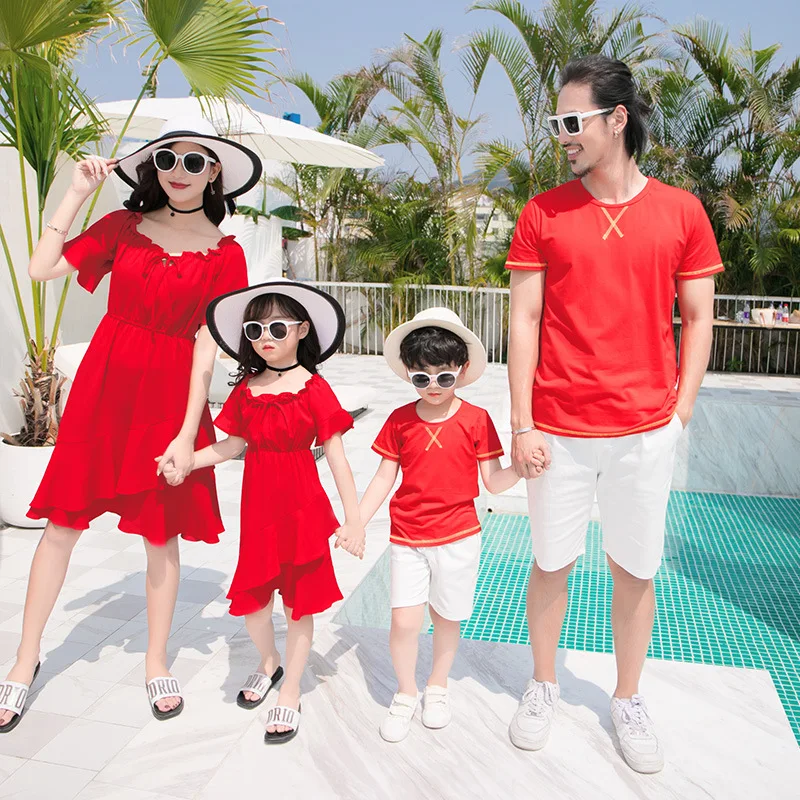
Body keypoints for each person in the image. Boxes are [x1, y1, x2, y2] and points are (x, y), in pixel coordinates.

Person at [0, 117, 262, 731]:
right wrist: (75, 194)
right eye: (168, 160)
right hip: (106, 388)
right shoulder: (124, 226)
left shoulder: (227, 254)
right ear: (154, 167)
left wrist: (184, 431)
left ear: (215, 173)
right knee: (63, 522)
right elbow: (42, 268)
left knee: (159, 533)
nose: (179, 173)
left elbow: (208, 347)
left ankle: (155, 659)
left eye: (194, 163)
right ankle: (23, 660)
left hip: (172, 398)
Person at [505, 55, 722, 773]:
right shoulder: (543, 212)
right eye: (555, 123)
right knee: (549, 564)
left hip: (643, 433)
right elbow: (525, 322)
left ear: (617, 119)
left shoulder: (682, 212)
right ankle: (543, 685)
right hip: (559, 432)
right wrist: (522, 423)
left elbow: (698, 318)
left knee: (634, 570)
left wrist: (680, 412)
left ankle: (626, 698)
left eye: (572, 122)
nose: (561, 136)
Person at [163, 280, 364, 744]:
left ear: (301, 330)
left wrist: (354, 520)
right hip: (259, 512)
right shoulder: (248, 389)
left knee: (298, 604)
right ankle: (269, 661)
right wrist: (187, 461)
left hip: (303, 509)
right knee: (253, 605)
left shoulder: (314, 388)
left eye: (276, 326)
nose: (264, 336)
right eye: (255, 328)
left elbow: (336, 457)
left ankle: (290, 688)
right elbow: (232, 446)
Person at [359, 309, 534, 743]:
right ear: (409, 376)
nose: (433, 387)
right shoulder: (400, 420)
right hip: (407, 537)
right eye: (422, 378)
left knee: (448, 616)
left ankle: (437, 686)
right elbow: (384, 477)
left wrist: (521, 469)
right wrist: (357, 521)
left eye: (443, 377)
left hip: (459, 536)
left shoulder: (476, 420)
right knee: (404, 620)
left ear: (462, 370)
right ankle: (405, 692)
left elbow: (492, 480)